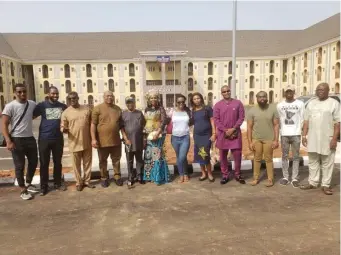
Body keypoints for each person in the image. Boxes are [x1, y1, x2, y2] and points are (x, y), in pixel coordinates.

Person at [300, 83, 340, 195]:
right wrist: (304, 135)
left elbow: (338, 123)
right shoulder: (311, 103)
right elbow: (306, 121)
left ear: (328, 90)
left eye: (322, 90)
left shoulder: (334, 104)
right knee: (313, 161)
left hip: (327, 138)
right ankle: (313, 182)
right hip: (313, 137)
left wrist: (334, 139)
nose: (320, 92)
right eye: (318, 90)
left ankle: (325, 185)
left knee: (327, 162)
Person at [1, 83, 39, 200]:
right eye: (19, 92)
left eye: (24, 91)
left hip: (30, 138)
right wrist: (8, 140)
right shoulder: (10, 106)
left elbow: (33, 115)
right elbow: (4, 124)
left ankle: (28, 182)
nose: (22, 94)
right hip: (17, 139)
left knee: (34, 162)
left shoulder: (32, 104)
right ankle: (23, 189)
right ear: (15, 93)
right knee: (20, 165)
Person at [34, 86, 67, 196]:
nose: (55, 96)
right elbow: (31, 116)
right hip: (44, 139)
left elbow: (69, 117)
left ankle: (57, 183)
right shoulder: (42, 106)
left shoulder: (62, 106)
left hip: (58, 139)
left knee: (58, 162)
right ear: (48, 94)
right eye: (53, 93)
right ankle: (44, 186)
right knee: (44, 163)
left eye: (57, 94)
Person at [60, 92, 95, 191]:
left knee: (87, 163)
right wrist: (64, 129)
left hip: (87, 141)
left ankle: (87, 181)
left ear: (78, 98)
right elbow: (62, 126)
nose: (72, 100)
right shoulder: (66, 112)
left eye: (74, 98)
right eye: (70, 99)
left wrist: (93, 138)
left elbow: (92, 123)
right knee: (76, 165)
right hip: (74, 143)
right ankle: (79, 182)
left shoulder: (86, 109)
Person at [91, 91, 124, 188]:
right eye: (107, 96)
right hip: (102, 141)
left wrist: (124, 137)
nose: (109, 97)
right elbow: (93, 124)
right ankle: (104, 178)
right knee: (102, 160)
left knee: (116, 160)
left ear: (113, 97)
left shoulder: (117, 109)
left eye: (111, 96)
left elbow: (121, 125)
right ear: (104, 97)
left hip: (116, 140)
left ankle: (117, 176)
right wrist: (93, 139)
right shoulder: (97, 109)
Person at [213, 85, 246, 185]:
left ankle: (237, 174)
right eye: (224, 92)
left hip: (235, 133)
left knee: (237, 155)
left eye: (228, 91)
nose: (226, 93)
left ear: (230, 91)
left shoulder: (238, 103)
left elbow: (241, 117)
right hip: (223, 134)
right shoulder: (217, 105)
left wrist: (233, 129)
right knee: (223, 156)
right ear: (221, 93)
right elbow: (216, 119)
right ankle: (225, 175)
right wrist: (225, 130)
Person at [247, 91, 279, 187]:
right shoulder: (252, 111)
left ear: (267, 98)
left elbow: (276, 125)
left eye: (264, 96)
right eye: (260, 97)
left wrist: (276, 140)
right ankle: (255, 178)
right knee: (257, 159)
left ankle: (270, 179)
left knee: (268, 159)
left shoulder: (273, 109)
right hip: (256, 139)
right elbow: (249, 127)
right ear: (256, 98)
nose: (262, 98)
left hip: (269, 138)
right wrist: (250, 142)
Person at [276, 85, 305, 188]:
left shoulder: (300, 104)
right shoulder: (280, 105)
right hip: (284, 134)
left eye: (291, 91)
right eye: (287, 91)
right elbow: (279, 120)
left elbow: (302, 118)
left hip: (296, 134)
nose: (289, 93)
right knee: (284, 156)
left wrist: (302, 132)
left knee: (296, 156)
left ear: (294, 93)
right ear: (285, 93)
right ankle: (285, 177)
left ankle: (295, 178)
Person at [143, 89, 170, 185]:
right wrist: (145, 136)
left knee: (156, 155)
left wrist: (157, 133)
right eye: (151, 98)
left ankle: (157, 176)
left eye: (155, 97)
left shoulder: (161, 108)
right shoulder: (146, 109)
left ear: (158, 99)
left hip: (157, 135)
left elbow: (164, 121)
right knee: (148, 156)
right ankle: (148, 176)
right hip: (148, 135)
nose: (153, 99)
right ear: (148, 99)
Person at [121, 96, 146, 188]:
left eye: (131, 102)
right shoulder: (123, 114)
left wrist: (144, 140)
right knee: (129, 160)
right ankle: (130, 177)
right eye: (128, 103)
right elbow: (122, 128)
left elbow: (143, 127)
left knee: (139, 160)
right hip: (128, 142)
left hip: (138, 140)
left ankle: (140, 176)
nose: (130, 104)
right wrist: (126, 139)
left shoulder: (139, 113)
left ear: (134, 103)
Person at [191, 92, 215, 182]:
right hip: (197, 135)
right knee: (199, 154)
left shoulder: (207, 108)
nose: (197, 100)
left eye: (198, 98)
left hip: (206, 135)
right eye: (194, 99)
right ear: (192, 101)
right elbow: (192, 122)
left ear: (201, 98)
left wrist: (214, 133)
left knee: (205, 154)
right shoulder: (193, 110)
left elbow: (212, 121)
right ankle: (203, 173)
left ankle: (209, 173)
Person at [169, 95, 193, 183]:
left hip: (185, 137)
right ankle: (184, 174)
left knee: (182, 157)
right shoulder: (172, 112)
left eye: (183, 102)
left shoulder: (188, 112)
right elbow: (165, 121)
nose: (181, 103)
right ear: (176, 103)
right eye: (179, 102)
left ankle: (182, 174)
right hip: (175, 137)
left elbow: (192, 122)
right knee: (180, 157)